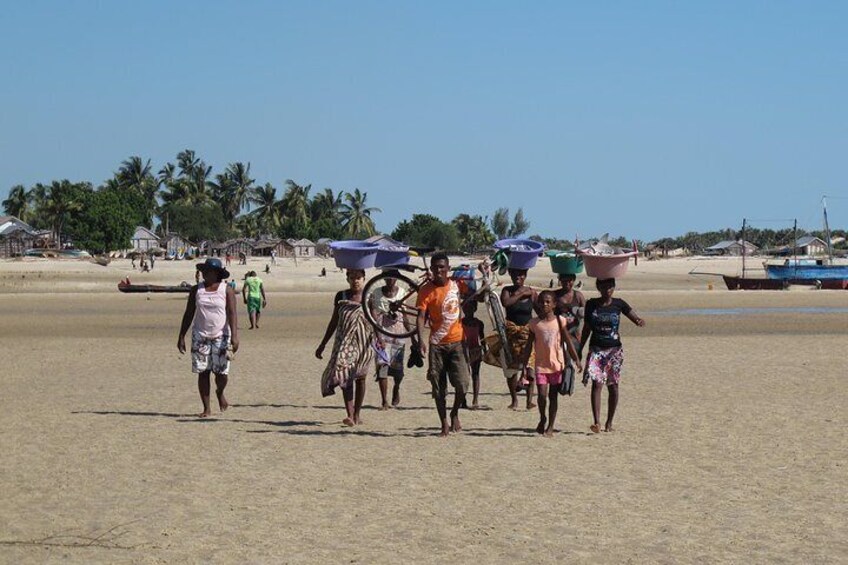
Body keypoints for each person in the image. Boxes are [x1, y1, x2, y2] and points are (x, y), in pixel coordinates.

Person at [416, 253, 472, 436]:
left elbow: (475, 290)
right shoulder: (425, 290)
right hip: (437, 345)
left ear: (448, 269)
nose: (438, 271)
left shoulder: (457, 285)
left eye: (442, 267)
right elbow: (421, 317)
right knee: (438, 387)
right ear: (431, 269)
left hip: (457, 342)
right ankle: (444, 423)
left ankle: (454, 412)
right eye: (435, 267)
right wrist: (421, 340)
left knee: (463, 384)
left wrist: (484, 270)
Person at [579, 278, 645, 433]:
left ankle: (609, 422)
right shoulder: (591, 304)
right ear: (598, 287)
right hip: (596, 349)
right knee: (597, 384)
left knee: (613, 386)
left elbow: (633, 316)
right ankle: (597, 422)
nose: (606, 289)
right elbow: (587, 328)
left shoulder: (619, 303)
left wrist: (639, 321)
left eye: (609, 286)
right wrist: (580, 348)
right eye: (602, 286)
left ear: (614, 287)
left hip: (614, 351)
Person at [177, 258, 240, 418]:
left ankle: (220, 392)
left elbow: (232, 313)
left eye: (208, 271)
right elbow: (189, 312)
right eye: (204, 270)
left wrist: (235, 336)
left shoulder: (226, 290)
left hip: (221, 336)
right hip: (200, 336)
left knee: (221, 374)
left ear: (217, 273)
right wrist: (181, 335)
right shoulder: (196, 290)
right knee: (203, 372)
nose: (205, 273)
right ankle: (206, 408)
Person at [315, 269, 375, 426]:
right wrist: (323, 343)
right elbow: (334, 321)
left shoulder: (369, 296)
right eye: (352, 277)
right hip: (344, 343)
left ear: (364, 279)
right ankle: (350, 414)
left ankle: (357, 413)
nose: (356, 281)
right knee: (345, 375)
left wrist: (380, 340)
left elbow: (375, 320)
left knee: (361, 378)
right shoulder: (341, 296)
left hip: (364, 342)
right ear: (347, 278)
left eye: (359, 278)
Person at [527, 291, 582, 436]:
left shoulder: (559, 321)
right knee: (541, 396)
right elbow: (529, 345)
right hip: (540, 365)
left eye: (548, 302)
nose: (545, 305)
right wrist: (525, 364)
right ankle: (542, 417)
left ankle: (550, 426)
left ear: (554, 304)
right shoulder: (534, 323)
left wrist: (576, 359)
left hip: (556, 365)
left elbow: (567, 341)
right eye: (542, 302)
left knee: (553, 396)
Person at [499, 268, 537, 410]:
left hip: (528, 334)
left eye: (521, 274)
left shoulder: (532, 292)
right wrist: (521, 293)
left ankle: (529, 401)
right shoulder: (507, 290)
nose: (518, 277)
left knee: (530, 367)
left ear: (526, 275)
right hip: (511, 334)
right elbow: (506, 303)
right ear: (510, 274)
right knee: (511, 370)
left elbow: (540, 309)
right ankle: (514, 400)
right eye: (515, 274)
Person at [368, 276, 409, 409]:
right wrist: (378, 335)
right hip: (381, 334)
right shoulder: (376, 293)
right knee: (382, 366)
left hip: (398, 333)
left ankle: (396, 388)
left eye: (393, 277)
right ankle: (384, 400)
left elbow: (406, 316)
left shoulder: (402, 292)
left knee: (398, 370)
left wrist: (414, 337)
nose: (390, 280)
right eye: (387, 277)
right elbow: (373, 315)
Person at [554, 273, 586, 393]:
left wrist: (580, 313)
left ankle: (567, 383)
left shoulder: (578, 296)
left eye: (570, 280)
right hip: (558, 334)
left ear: (574, 281)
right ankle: (561, 383)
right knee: (560, 359)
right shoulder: (555, 295)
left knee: (570, 358)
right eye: (564, 280)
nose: (567, 283)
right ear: (560, 280)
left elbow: (586, 314)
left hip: (574, 334)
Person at [461, 301, 485, 410]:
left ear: (474, 309)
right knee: (463, 376)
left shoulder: (479, 323)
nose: (468, 310)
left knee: (475, 375)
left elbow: (482, 338)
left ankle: (475, 399)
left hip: (475, 350)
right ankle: (463, 399)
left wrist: (485, 350)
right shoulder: (459, 323)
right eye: (466, 308)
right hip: (462, 351)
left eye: (470, 308)